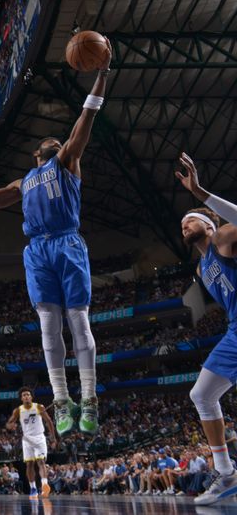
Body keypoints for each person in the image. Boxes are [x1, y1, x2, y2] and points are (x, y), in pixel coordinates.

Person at [0, 42, 112, 437]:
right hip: (37, 251)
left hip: (67, 242)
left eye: (60, 141)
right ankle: (62, 400)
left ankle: (91, 398)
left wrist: (103, 74)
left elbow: (85, 120)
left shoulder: (67, 163)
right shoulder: (23, 181)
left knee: (78, 320)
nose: (57, 141)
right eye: (51, 142)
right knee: (48, 322)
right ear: (36, 153)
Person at [175, 152, 237, 505]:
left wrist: (201, 195)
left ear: (209, 225)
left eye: (191, 220)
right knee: (201, 395)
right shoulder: (201, 269)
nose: (184, 226)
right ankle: (226, 472)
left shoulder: (224, 239)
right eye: (182, 224)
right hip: (234, 331)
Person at [6, 387, 57, 499]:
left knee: (41, 461)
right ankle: (33, 488)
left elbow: (48, 421)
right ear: (21, 398)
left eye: (28, 394)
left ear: (31, 397)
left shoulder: (39, 407)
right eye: (24, 395)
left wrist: (53, 438)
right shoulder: (18, 410)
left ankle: (44, 485)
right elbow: (8, 424)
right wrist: (11, 426)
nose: (26, 396)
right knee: (29, 464)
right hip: (27, 439)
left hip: (39, 437)